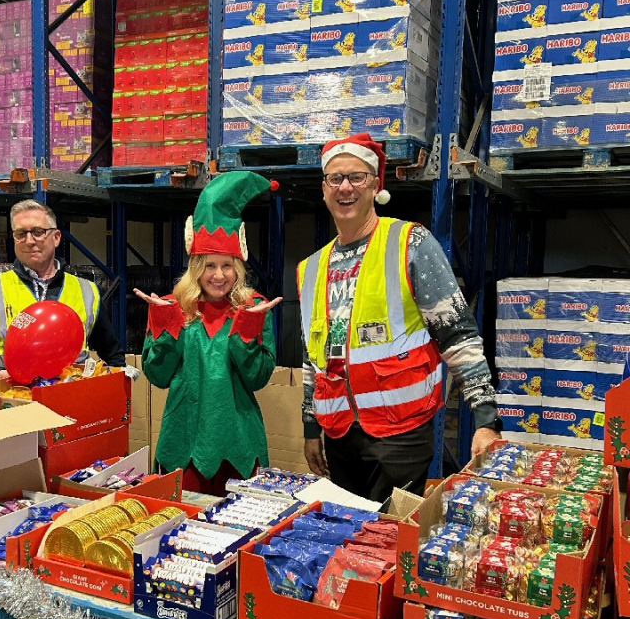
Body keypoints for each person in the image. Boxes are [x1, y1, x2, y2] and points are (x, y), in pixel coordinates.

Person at [298, 133, 501, 503]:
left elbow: (457, 335)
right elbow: (312, 358)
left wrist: (486, 419)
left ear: (375, 185)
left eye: (357, 177)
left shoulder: (410, 243)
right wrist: (311, 426)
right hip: (339, 436)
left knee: (390, 534)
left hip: (400, 436)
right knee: (348, 533)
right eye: (335, 178)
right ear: (324, 189)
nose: (345, 187)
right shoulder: (310, 268)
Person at [135, 171, 281, 495]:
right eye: (209, 265)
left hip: (239, 443)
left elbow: (258, 378)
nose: (218, 275)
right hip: (183, 444)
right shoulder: (172, 306)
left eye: (226, 265)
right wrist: (165, 328)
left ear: (237, 267)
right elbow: (158, 376)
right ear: (196, 268)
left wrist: (246, 333)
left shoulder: (254, 308)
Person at [0, 199, 125, 377]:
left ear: (56, 237)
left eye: (38, 232)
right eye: (21, 234)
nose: (29, 241)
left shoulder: (87, 291)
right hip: (16, 392)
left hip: (71, 392)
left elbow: (114, 356)